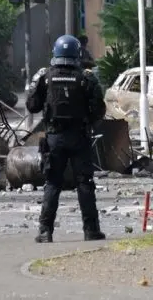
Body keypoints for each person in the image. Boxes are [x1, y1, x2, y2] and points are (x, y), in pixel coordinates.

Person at [26, 34, 107, 243]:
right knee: (85, 184)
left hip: (54, 138)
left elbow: (32, 106)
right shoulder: (86, 77)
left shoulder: (45, 77)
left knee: (52, 183)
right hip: (79, 137)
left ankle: (45, 231)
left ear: (55, 53)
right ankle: (91, 231)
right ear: (77, 53)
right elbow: (99, 109)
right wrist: (88, 120)